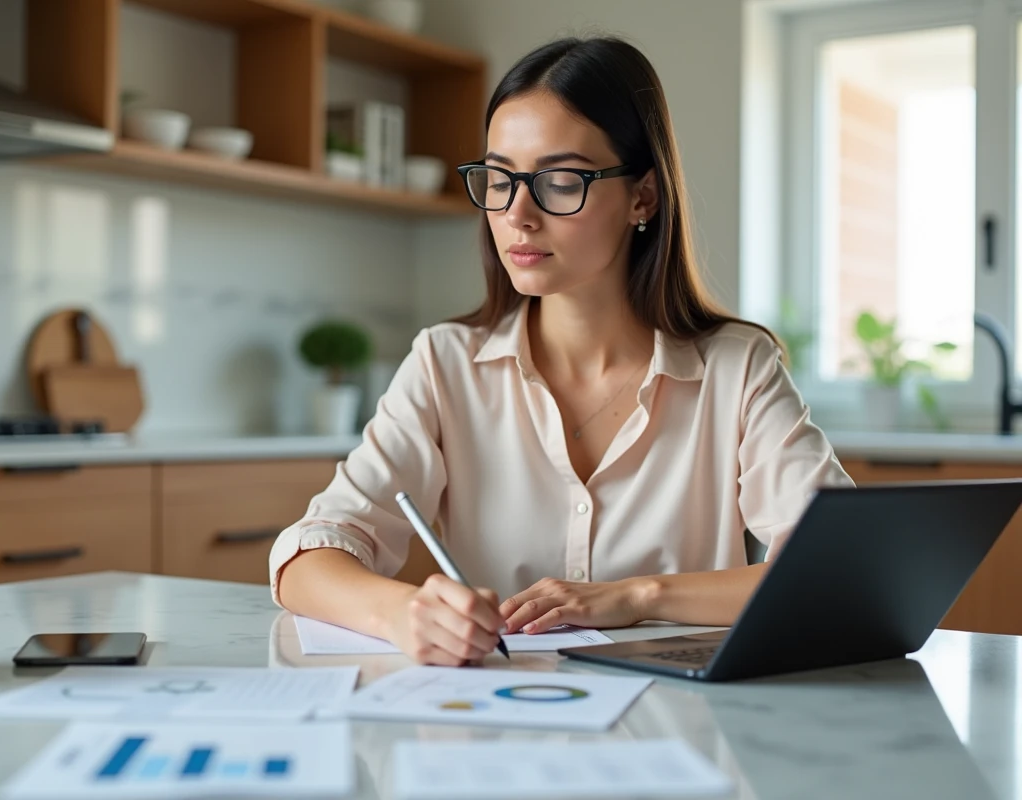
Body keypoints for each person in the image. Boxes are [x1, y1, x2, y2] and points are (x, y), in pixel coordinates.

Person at [269, 36, 852, 666]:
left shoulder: (739, 369)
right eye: (499, 178)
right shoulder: (446, 365)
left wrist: (636, 595)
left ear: (643, 197)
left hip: (685, 730)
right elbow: (307, 558)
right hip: (494, 723)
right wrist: (402, 613)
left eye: (560, 180)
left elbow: (841, 571)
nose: (518, 213)